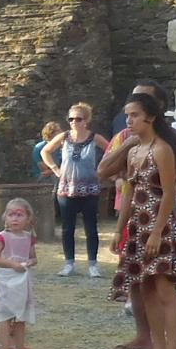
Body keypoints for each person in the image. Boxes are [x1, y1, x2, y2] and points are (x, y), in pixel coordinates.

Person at [105, 92, 176, 349]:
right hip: (137, 225)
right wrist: (119, 229)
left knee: (164, 288)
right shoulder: (134, 150)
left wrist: (157, 232)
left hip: (158, 225)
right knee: (146, 287)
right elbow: (126, 190)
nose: (129, 120)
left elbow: (167, 194)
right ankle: (158, 347)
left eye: (134, 115)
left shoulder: (162, 149)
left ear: (150, 117)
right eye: (127, 115)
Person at [40, 101, 105, 277]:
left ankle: (93, 264)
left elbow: (112, 150)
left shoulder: (94, 138)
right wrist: (55, 169)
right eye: (71, 119)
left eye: (78, 119)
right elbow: (45, 151)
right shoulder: (64, 137)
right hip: (67, 188)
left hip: (89, 188)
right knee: (67, 227)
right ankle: (69, 263)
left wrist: (103, 170)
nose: (74, 122)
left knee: (91, 227)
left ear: (86, 120)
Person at [0, 197, 39, 349]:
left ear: (28, 217)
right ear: (5, 217)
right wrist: (11, 263)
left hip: (22, 280)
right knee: (5, 314)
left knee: (21, 315)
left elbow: (33, 258)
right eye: (11, 215)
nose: (15, 218)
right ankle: (5, 348)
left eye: (19, 215)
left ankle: (20, 346)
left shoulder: (28, 237)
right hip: (6, 280)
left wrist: (29, 262)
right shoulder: (2, 237)